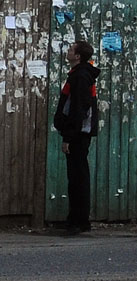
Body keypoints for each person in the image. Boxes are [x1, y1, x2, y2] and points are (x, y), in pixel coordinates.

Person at [53, 40, 99, 235]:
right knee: (78, 176)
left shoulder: (80, 76)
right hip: (79, 132)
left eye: (71, 49)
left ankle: (78, 222)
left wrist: (68, 137)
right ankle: (78, 219)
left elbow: (77, 108)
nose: (68, 51)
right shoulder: (80, 74)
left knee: (77, 178)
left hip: (78, 134)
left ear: (78, 56)